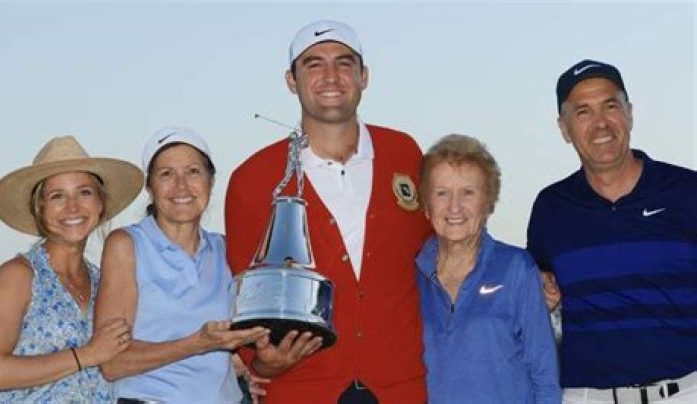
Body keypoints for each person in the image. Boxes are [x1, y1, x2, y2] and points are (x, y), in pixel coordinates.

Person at [225, 19, 432, 403]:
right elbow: (240, 288)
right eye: (314, 64)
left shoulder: (405, 154)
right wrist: (260, 361)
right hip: (301, 387)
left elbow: (443, 251)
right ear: (291, 81)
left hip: (400, 385)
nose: (331, 76)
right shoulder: (253, 178)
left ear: (364, 76)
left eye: (344, 62)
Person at [527, 59, 697, 403]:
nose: (601, 123)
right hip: (587, 396)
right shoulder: (550, 208)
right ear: (564, 128)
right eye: (583, 112)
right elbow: (535, 290)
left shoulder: (687, 191)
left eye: (610, 106)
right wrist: (539, 286)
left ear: (629, 113)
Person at [95, 126, 270, 403]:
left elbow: (234, 349)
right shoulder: (127, 244)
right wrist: (196, 344)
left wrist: (251, 369)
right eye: (166, 174)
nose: (181, 186)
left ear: (211, 182)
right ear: (150, 187)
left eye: (193, 172)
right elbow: (111, 363)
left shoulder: (226, 249)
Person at [0, 135, 143, 402]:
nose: (73, 207)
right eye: (57, 196)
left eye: (84, 192)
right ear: (40, 209)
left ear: (100, 204)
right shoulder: (19, 275)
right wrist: (87, 355)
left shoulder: (105, 283)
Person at [415, 134, 561, 403]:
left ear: (488, 203)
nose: (454, 206)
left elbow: (544, 375)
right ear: (426, 205)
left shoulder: (517, 269)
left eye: (468, 193)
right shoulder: (410, 278)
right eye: (442, 193)